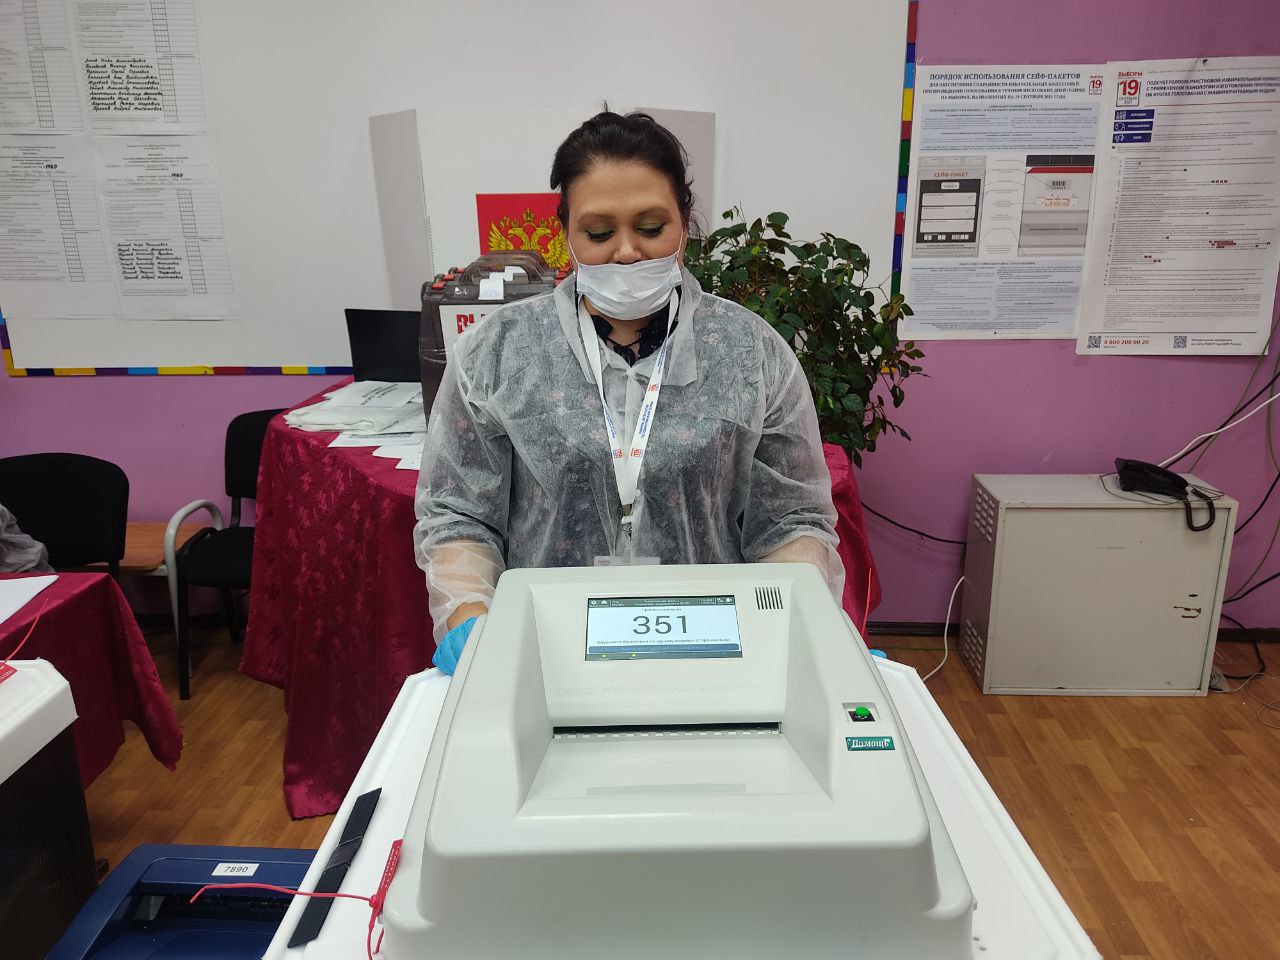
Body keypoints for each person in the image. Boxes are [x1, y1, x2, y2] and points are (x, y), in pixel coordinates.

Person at [414, 110, 844, 674]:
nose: (625, 252)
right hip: (545, 650)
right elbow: (458, 515)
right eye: (598, 233)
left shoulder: (750, 353)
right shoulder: (497, 352)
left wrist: (799, 626)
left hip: (713, 646)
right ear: (566, 233)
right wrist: (471, 617)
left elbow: (792, 521)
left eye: (651, 227)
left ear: (684, 223)